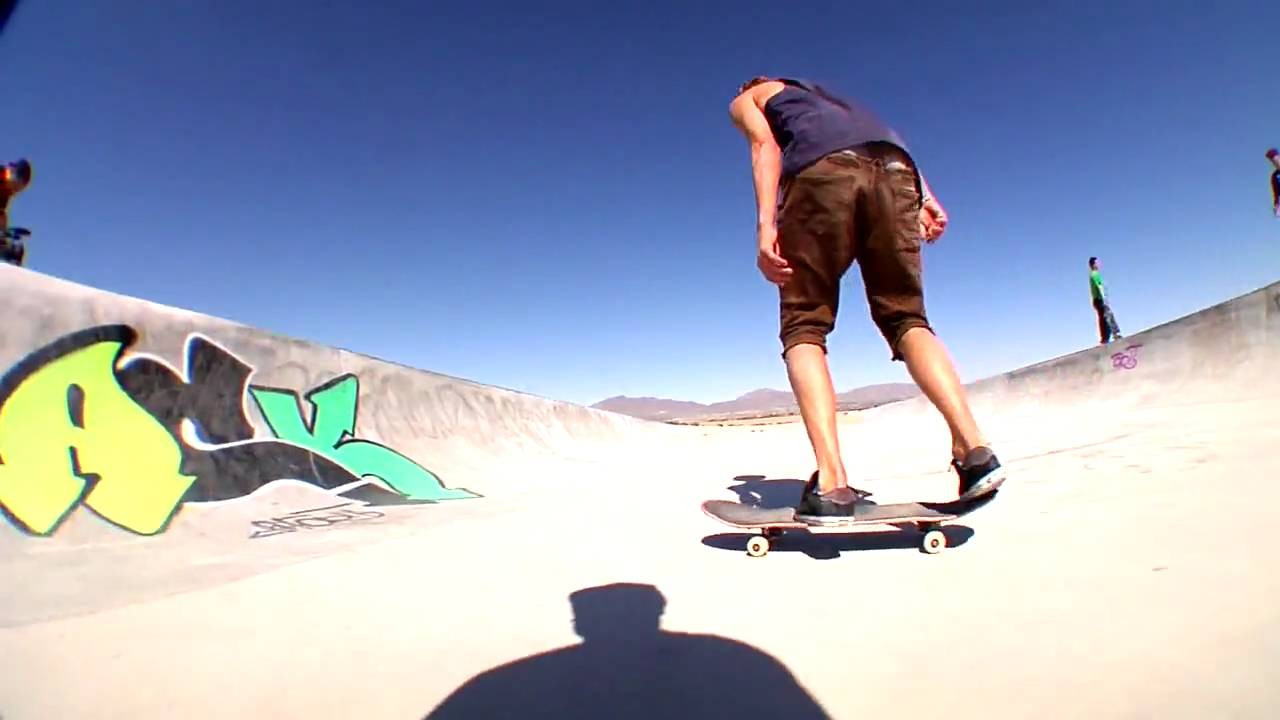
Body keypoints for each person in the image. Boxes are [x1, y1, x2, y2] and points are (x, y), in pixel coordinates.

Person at [727, 76, 1004, 523]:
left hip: (823, 174)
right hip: (897, 172)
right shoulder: (832, 98)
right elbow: (888, 143)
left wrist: (765, 228)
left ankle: (833, 483)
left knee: (804, 323)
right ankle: (975, 452)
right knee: (907, 317)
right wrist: (926, 198)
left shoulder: (750, 97)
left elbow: (766, 147)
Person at [0, 158, 32, 266]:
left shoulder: (6, 193)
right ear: (13, 176)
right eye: (17, 186)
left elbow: (1, 215)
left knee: (14, 251)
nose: (16, 191)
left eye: (19, 189)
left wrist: (4, 234)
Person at [1088, 256, 1122, 344]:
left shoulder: (1092, 274)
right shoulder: (1095, 274)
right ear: (1093, 264)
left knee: (1103, 318)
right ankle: (1114, 334)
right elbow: (1099, 286)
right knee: (1108, 316)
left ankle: (1105, 338)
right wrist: (1104, 299)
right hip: (1100, 299)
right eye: (1097, 263)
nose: (1099, 264)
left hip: (1097, 300)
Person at [1267, 148, 1279, 218]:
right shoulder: (1275, 176)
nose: (1275, 163)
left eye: (1275, 159)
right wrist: (1276, 205)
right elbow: (1276, 193)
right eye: (1273, 161)